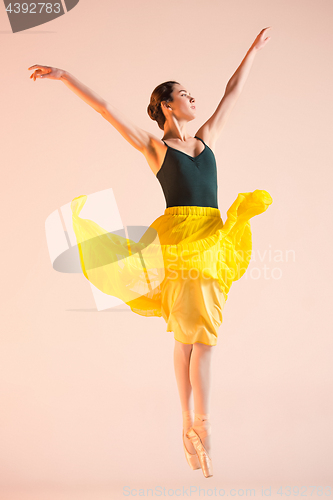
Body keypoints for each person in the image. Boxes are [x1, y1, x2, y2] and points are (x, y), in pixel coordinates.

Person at [28, 27, 273, 479]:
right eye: (184, 95)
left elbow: (232, 92)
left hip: (212, 238)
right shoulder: (155, 147)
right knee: (201, 336)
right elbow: (107, 109)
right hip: (180, 243)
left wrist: (252, 51)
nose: (193, 99)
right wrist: (66, 76)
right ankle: (199, 422)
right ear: (166, 105)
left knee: (190, 336)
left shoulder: (206, 140)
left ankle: (187, 424)